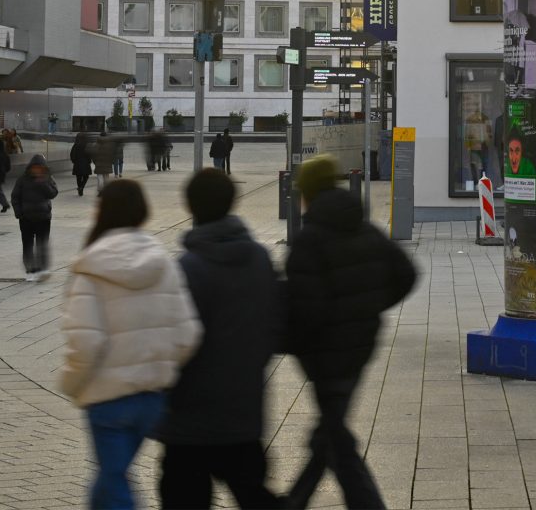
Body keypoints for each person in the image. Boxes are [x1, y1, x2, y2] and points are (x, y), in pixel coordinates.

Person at [283, 154, 417, 510]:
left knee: (335, 439)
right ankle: (296, 500)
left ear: (307, 193)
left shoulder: (309, 240)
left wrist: (292, 343)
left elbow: (304, 312)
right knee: (330, 434)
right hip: (359, 348)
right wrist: (368, 308)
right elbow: (406, 274)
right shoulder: (364, 227)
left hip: (326, 357)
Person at [61, 181, 201, 510]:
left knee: (114, 483)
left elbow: (85, 341)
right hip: (152, 399)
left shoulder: (90, 266)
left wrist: (72, 384)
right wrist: (159, 367)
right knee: (111, 478)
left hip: (107, 398)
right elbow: (188, 333)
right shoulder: (162, 262)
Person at [157, 168, 283, 508]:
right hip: (244, 412)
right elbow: (275, 326)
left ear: (190, 206)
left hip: (190, 421)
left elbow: (173, 343)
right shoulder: (259, 258)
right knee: (253, 495)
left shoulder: (188, 268)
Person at [11, 154, 60, 280]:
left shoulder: (47, 178)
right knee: (27, 245)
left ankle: (42, 269)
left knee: (42, 244)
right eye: (35, 167)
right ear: (30, 167)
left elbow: (53, 193)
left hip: (43, 218)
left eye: (40, 167)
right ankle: (30, 271)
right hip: (26, 218)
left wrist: (43, 182)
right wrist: (19, 213)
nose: (37, 170)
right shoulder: (22, 179)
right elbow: (15, 197)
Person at [72, 132, 96, 198]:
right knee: (86, 176)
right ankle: (82, 187)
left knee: (78, 177)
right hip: (85, 163)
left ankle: (80, 187)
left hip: (77, 163)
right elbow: (89, 154)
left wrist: (74, 161)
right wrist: (89, 161)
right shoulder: (86, 144)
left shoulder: (75, 145)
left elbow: (72, 154)